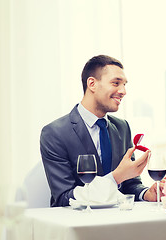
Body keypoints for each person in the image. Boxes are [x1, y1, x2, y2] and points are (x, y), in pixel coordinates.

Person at [40, 55, 157, 207]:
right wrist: (115, 177)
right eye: (116, 83)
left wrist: (147, 194)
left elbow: (130, 186)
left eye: (124, 85)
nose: (123, 91)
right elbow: (63, 197)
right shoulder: (54, 133)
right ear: (92, 84)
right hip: (78, 223)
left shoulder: (122, 128)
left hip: (119, 221)